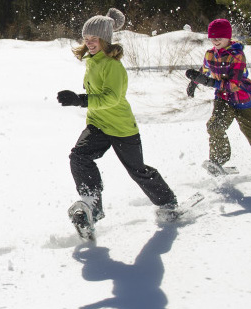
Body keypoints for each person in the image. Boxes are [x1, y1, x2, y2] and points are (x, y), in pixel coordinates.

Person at [57, 9, 178, 232]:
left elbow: (112, 98)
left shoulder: (113, 66)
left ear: (105, 39)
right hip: (98, 125)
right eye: (86, 39)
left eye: (94, 38)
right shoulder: (92, 62)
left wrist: (80, 100)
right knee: (79, 157)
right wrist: (80, 100)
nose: (90, 43)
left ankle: (167, 202)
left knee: (137, 170)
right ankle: (92, 204)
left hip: (121, 127)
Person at [185, 19, 251, 183]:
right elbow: (205, 70)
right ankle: (218, 161)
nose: (216, 40)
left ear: (228, 37)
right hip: (223, 99)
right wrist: (195, 81)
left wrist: (209, 83)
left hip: (244, 101)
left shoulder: (236, 54)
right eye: (213, 37)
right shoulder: (210, 54)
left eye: (220, 37)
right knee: (214, 126)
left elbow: (233, 85)